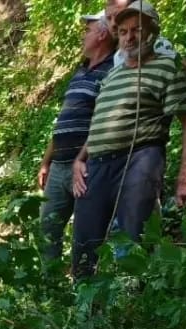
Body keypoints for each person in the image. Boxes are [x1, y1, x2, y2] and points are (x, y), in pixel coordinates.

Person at [70, 0, 186, 276]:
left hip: (140, 158)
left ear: (153, 32)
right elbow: (100, 124)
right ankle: (82, 300)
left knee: (134, 242)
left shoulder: (167, 68)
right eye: (123, 31)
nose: (129, 37)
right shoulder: (112, 75)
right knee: (84, 244)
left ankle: (135, 297)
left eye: (137, 30)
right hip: (96, 167)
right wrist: (80, 160)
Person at [38, 10, 117, 262]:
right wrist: (46, 161)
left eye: (88, 30)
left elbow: (104, 121)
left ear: (102, 34)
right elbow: (64, 120)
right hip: (58, 167)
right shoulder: (80, 71)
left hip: (86, 168)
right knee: (47, 229)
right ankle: (49, 282)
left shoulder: (112, 71)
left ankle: (83, 280)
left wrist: (83, 158)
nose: (83, 35)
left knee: (85, 236)